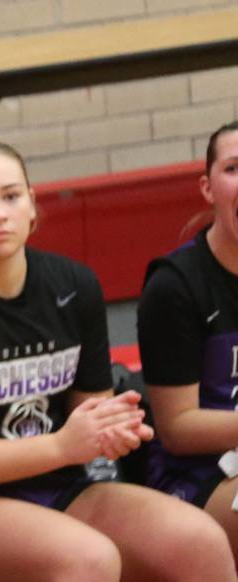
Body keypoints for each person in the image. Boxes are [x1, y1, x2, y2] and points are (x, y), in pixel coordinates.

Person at [0, 135, 237, 581]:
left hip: (63, 483)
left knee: (198, 540)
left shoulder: (73, 284)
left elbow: (91, 416)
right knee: (86, 558)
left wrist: (113, 430)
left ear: (32, 204)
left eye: (11, 197)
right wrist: (62, 445)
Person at [138, 120, 238, 558]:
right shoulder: (174, 285)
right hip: (196, 472)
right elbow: (177, 429)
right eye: (234, 168)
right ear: (208, 187)